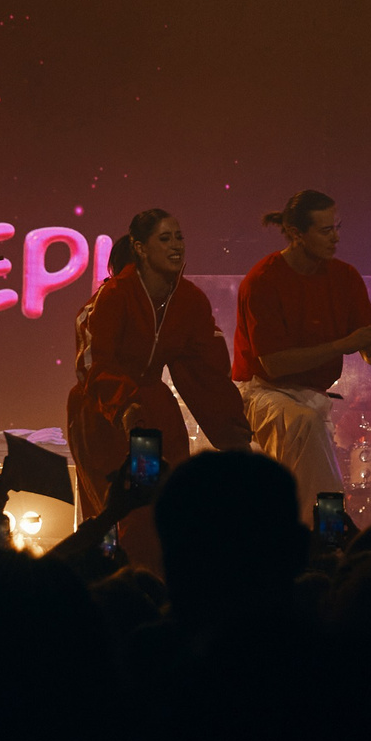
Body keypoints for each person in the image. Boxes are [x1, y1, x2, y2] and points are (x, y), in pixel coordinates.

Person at [67, 207, 252, 576]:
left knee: (171, 505)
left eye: (179, 237)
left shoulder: (190, 301)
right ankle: (113, 591)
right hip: (102, 411)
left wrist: (232, 431)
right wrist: (123, 407)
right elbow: (92, 363)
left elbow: (205, 372)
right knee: (120, 510)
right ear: (139, 247)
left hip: (154, 406)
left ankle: (163, 592)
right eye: (164, 239)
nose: (176, 246)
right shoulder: (112, 296)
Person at [231, 189, 371, 514]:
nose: (336, 238)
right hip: (260, 392)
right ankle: (326, 526)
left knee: (308, 423)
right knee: (305, 423)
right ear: (296, 234)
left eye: (337, 228)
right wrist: (343, 345)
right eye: (325, 230)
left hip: (312, 393)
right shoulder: (263, 280)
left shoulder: (345, 277)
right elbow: (274, 365)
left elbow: (368, 351)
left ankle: (314, 525)